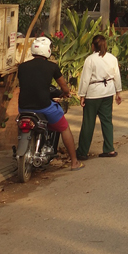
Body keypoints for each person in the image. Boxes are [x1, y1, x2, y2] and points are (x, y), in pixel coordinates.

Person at [17, 36, 83, 170]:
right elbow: (64, 86)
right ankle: (74, 162)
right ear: (48, 51)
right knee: (64, 127)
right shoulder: (52, 67)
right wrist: (66, 93)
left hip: (23, 107)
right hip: (44, 106)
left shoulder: (22, 67)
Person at [76, 34, 122, 160]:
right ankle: (109, 149)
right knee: (107, 121)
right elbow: (116, 75)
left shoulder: (90, 59)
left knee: (88, 123)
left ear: (93, 46)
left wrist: (82, 95)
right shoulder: (112, 58)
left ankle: (82, 152)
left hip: (93, 94)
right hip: (108, 92)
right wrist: (118, 92)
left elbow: (85, 79)